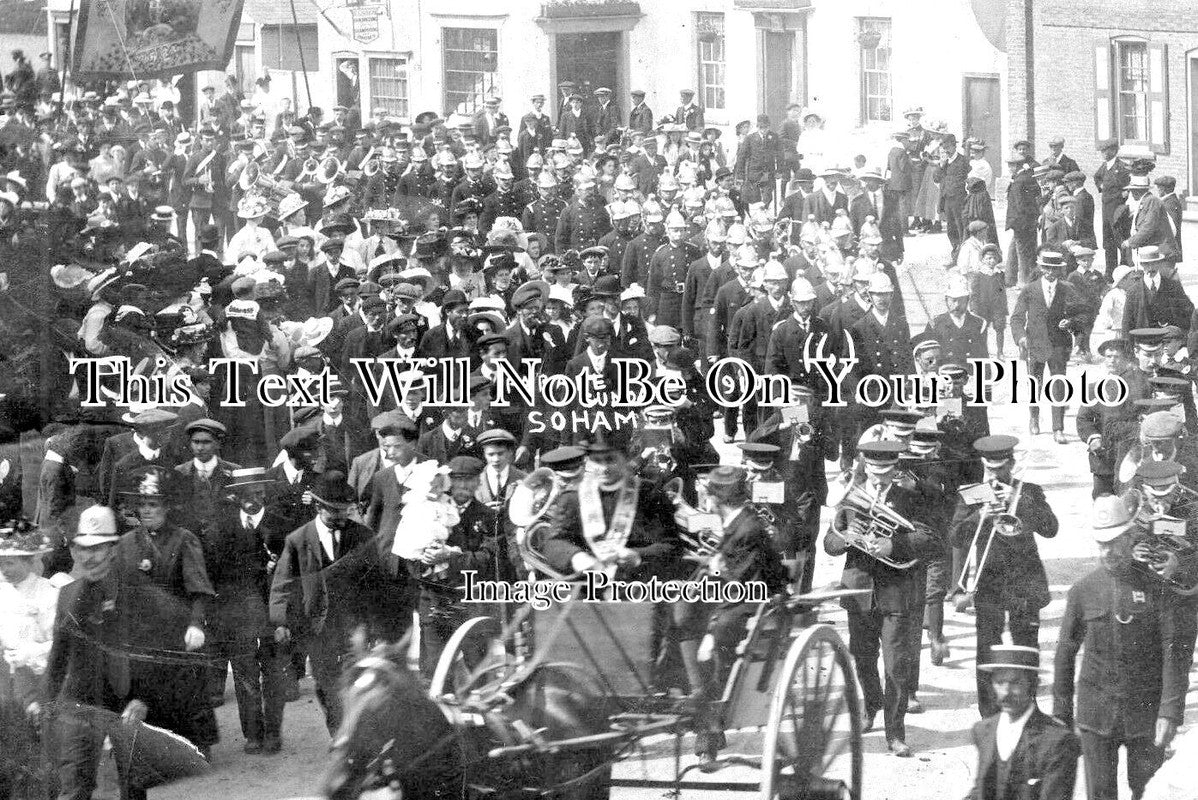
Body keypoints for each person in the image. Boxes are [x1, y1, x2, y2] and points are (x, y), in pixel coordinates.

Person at [1055, 494, 1197, 800]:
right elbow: (1065, 654)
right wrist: (1061, 714)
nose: (1109, 551)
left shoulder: (1157, 587)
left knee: (1147, 791)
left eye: (1116, 542)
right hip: (1095, 714)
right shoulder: (1082, 591)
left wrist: (1170, 712)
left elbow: (1175, 652)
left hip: (1145, 714)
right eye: (1102, 543)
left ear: (1130, 537)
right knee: (1100, 795)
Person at [824, 441, 940, 757]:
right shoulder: (850, 498)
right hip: (859, 589)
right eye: (873, 471)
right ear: (865, 466)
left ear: (894, 469)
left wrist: (893, 546)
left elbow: (927, 538)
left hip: (898, 591)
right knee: (862, 657)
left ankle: (895, 732)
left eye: (885, 472)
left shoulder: (910, 498)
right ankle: (871, 705)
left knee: (896, 665)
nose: (878, 479)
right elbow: (829, 542)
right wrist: (848, 537)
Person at [269, 470, 393, 735]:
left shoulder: (363, 536)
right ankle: (339, 735)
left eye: (344, 511)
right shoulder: (298, 540)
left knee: (358, 681)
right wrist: (280, 622)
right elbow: (282, 584)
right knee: (326, 685)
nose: (340, 517)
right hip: (318, 627)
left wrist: (380, 626)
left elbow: (379, 586)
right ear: (317, 506)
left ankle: (358, 737)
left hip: (355, 624)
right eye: (333, 512)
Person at [45, 506, 149, 800]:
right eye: (82, 549)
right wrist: (49, 705)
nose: (88, 557)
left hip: (127, 701)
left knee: (132, 785)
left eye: (98, 548)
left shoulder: (135, 590)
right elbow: (58, 659)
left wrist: (143, 698)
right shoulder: (67, 595)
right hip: (80, 703)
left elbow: (153, 655)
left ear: (114, 549)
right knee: (74, 785)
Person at [950, 435, 1058, 716]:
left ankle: (1029, 708)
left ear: (1011, 463)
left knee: (1027, 647)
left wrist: (1018, 502)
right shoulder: (974, 493)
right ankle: (989, 713)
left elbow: (1051, 529)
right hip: (990, 580)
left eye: (1000, 468)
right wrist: (979, 516)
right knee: (987, 647)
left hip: (1025, 580)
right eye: (990, 468)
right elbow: (955, 537)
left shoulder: (1030, 490)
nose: (995, 474)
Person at [967, 645, 1080, 800]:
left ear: (1033, 684)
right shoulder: (983, 731)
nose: (1006, 693)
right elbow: (980, 791)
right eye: (999, 682)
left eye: (1016, 683)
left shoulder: (1058, 741)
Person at [1009, 249, 1087, 442]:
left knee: (1059, 385)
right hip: (1034, 344)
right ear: (1041, 268)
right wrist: (1020, 338)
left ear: (1059, 270)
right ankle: (1034, 418)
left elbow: (1084, 313)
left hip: (1059, 344)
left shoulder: (1067, 288)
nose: (1050, 272)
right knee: (1035, 384)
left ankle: (1058, 428)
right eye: (1046, 268)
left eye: (1054, 269)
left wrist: (1071, 322)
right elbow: (1017, 317)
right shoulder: (1030, 289)